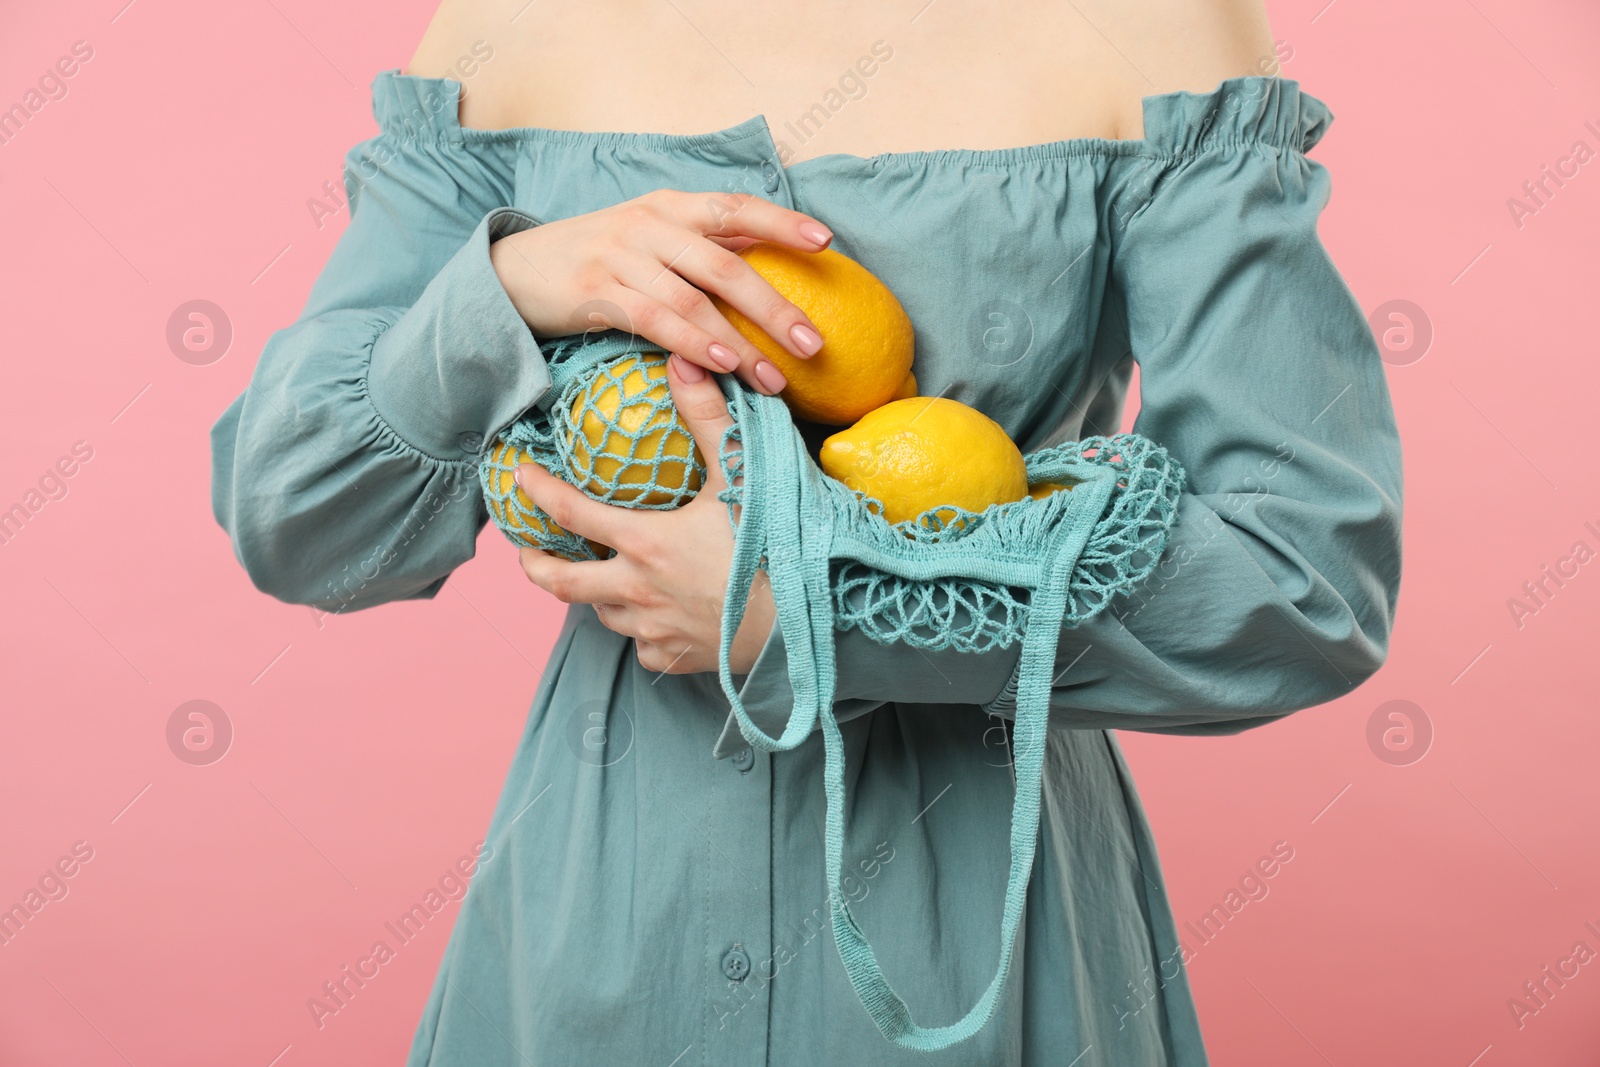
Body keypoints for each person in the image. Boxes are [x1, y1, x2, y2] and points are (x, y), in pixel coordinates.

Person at [209, 0, 1403, 1062]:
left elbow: (1303, 578)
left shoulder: (1154, 28)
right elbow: (305, 519)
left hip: (987, 953)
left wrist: (817, 606)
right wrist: (512, 285)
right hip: (589, 943)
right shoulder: (511, 28)